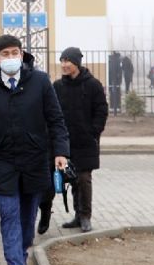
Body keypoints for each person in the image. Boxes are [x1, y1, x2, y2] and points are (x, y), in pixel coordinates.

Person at [0, 35, 69, 265]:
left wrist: (61, 151)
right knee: (9, 214)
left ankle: (22, 256)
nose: (11, 57)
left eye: (15, 52)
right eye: (5, 54)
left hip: (34, 158)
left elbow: (55, 119)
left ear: (22, 54)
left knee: (27, 216)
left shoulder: (40, 82)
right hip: (1, 160)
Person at [43, 48, 108, 234]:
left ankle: (85, 216)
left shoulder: (93, 85)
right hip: (63, 143)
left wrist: (93, 132)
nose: (63, 65)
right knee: (67, 179)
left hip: (85, 142)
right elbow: (50, 112)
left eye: (67, 61)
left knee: (83, 179)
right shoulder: (57, 86)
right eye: (62, 61)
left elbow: (101, 110)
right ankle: (70, 215)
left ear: (77, 63)